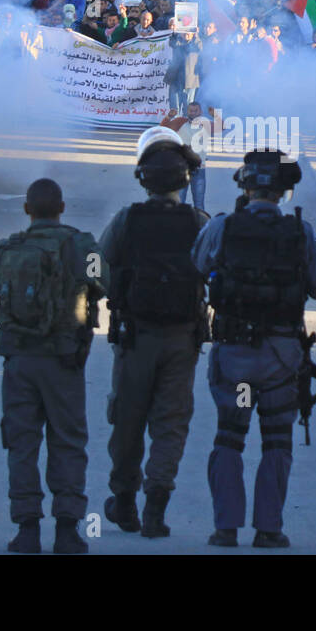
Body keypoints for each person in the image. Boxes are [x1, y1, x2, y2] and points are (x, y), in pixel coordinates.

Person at [0, 178, 108, 555]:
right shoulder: (81, 244)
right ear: (62, 208)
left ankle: (27, 530)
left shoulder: (8, 248)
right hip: (64, 362)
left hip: (20, 361)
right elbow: (107, 282)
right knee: (68, 441)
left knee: (22, 443)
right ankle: (68, 531)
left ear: (27, 210)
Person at [191, 149, 316, 548]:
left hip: (235, 354)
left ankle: (226, 528)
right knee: (277, 441)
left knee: (229, 438)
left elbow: (198, 266)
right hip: (282, 356)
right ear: (285, 191)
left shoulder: (222, 227)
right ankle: (269, 529)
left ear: (244, 186)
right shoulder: (301, 233)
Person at [98, 128, 209, 538]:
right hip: (182, 338)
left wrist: (117, 295)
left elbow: (98, 268)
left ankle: (124, 502)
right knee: (171, 422)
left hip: (134, 336)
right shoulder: (200, 222)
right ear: (185, 180)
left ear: (143, 178)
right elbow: (215, 270)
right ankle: (155, 510)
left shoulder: (127, 220)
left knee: (127, 419)